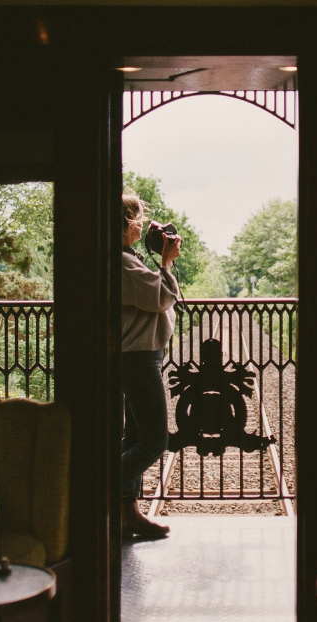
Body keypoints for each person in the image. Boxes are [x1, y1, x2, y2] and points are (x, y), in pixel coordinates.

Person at [120, 193, 182, 539]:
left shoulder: (128, 258)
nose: (143, 224)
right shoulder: (123, 262)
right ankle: (97, 490)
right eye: (139, 218)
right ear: (128, 223)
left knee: (135, 436)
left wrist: (159, 259)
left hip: (140, 355)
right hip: (138, 358)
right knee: (155, 440)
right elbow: (159, 297)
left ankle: (129, 516)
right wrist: (167, 261)